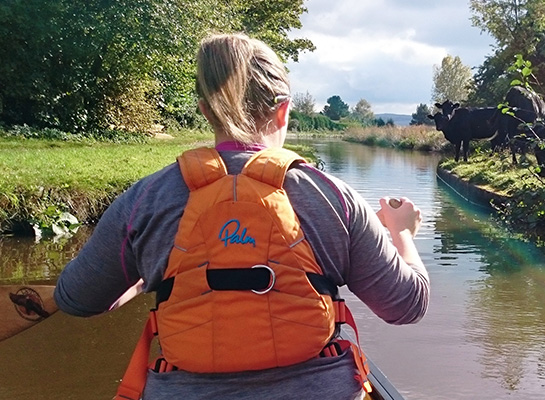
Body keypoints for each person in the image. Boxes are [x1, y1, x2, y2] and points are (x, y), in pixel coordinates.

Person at [54, 33, 429, 399]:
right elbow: (406, 305)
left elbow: (76, 299)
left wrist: (147, 273)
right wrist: (402, 233)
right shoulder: (334, 197)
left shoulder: (144, 200)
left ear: (205, 110)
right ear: (283, 109)